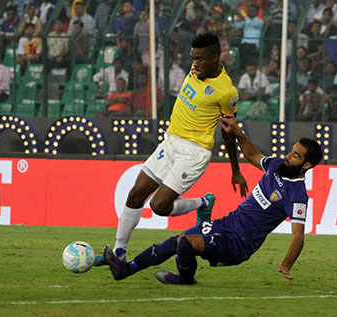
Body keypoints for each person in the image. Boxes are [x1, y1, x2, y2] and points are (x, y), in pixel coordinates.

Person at [101, 117, 323, 284]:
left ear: (306, 165)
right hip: (226, 224)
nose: (288, 155)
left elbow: (298, 237)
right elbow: (252, 155)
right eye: (292, 151)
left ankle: (186, 279)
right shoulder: (276, 166)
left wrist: (286, 264)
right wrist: (237, 132)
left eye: (295, 155)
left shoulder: (298, 196)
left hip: (240, 243)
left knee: (187, 243)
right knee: (176, 241)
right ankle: (126, 270)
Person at [103, 33, 248, 263]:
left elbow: (228, 130)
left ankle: (202, 202)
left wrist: (235, 170)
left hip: (194, 152)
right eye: (193, 58)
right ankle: (119, 254)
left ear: (215, 57)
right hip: (170, 141)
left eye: (199, 59)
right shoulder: (195, 69)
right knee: (135, 194)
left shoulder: (226, 92)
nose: (194, 63)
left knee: (159, 206)